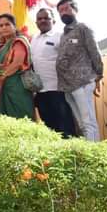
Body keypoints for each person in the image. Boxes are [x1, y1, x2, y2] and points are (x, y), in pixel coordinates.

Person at [55, 0, 104, 141]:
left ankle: (94, 152)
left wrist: (99, 75)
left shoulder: (83, 28)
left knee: (88, 122)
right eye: (60, 11)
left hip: (82, 82)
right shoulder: (64, 35)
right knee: (82, 124)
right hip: (67, 86)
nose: (63, 13)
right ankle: (89, 150)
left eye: (66, 9)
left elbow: (94, 52)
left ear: (75, 10)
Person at [31, 8, 77, 137]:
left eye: (46, 18)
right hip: (40, 91)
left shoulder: (60, 36)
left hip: (58, 89)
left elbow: (74, 52)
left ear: (54, 21)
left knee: (65, 126)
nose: (43, 21)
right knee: (49, 127)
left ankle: (70, 148)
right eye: (40, 19)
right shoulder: (34, 39)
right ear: (36, 22)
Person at [0, 14, 35, 119]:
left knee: (20, 118)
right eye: (1, 25)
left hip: (17, 85)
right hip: (4, 86)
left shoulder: (19, 42)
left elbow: (17, 63)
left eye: (7, 24)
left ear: (14, 26)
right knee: (5, 119)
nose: (4, 28)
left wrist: (0, 76)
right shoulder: (2, 47)